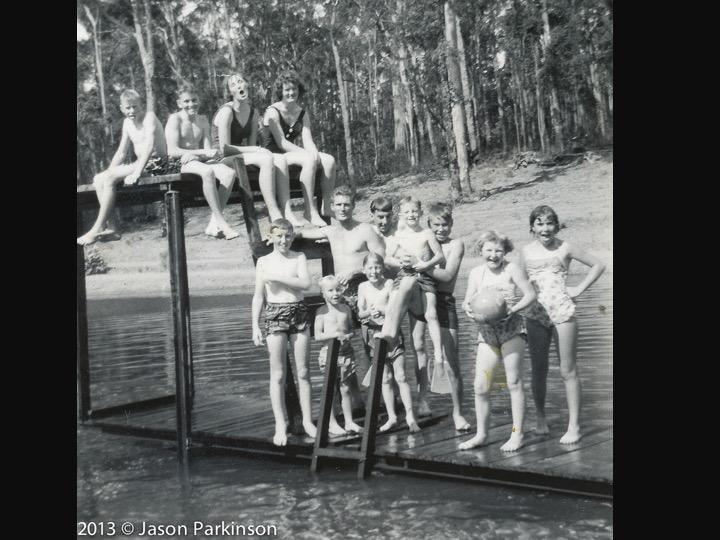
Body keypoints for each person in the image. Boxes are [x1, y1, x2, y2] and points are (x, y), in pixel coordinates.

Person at [520, 205, 605, 444]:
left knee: (568, 370)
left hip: (562, 312)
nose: (545, 228)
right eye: (539, 223)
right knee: (538, 369)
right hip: (535, 314)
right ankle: (540, 420)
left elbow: (598, 265)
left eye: (549, 223)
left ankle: (574, 426)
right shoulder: (525, 251)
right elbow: (518, 281)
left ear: (556, 226)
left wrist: (578, 288)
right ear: (532, 227)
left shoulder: (565, 247)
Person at [297, 185, 386, 410]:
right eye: (338, 205)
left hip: (364, 291)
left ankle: (382, 398)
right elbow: (299, 233)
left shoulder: (365, 229)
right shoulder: (330, 230)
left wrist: (356, 271)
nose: (343, 208)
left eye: (347, 204)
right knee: (341, 344)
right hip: (340, 297)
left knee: (371, 346)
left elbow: (380, 259)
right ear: (332, 208)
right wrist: (280, 234)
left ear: (354, 206)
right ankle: (353, 400)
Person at [459, 230, 536, 451]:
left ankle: (517, 434)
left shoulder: (511, 269)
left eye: (498, 250)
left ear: (505, 251)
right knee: (480, 386)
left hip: (512, 330)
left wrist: (514, 309)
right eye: (489, 250)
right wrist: (470, 312)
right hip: (486, 333)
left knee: (513, 382)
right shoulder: (475, 273)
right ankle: (481, 434)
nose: (493, 255)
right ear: (481, 250)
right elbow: (466, 302)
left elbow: (530, 294)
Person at [251, 219, 317, 446]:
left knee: (304, 372)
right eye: (279, 236)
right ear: (271, 237)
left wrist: (278, 278)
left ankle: (308, 421)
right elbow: (259, 296)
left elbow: (306, 284)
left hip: (298, 311)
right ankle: (281, 424)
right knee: (278, 374)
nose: (284, 240)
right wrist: (255, 326)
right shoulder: (263, 262)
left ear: (292, 236)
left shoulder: (299, 257)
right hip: (274, 313)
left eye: (288, 236)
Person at [77, 89, 173, 245]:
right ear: (122, 108)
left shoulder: (149, 117)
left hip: (158, 164)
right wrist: (108, 171)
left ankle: (98, 227)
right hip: (142, 164)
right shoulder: (127, 123)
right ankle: (113, 227)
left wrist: (136, 172)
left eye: (135, 106)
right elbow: (121, 152)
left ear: (141, 105)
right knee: (101, 178)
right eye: (128, 108)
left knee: (108, 179)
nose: (132, 111)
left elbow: (149, 147)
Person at [407, 203, 470, 431]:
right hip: (420, 296)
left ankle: (458, 413)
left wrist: (419, 266)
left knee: (451, 359)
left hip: (444, 301)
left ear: (451, 224)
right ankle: (423, 400)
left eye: (445, 225)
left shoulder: (456, 245)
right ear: (429, 226)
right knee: (419, 350)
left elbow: (447, 275)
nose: (441, 229)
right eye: (436, 225)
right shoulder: (423, 240)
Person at [375, 197, 445, 375]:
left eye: (414, 211)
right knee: (392, 303)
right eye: (407, 212)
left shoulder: (427, 233)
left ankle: (438, 357)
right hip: (404, 274)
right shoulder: (399, 235)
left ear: (420, 213)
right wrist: (400, 261)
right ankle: (387, 335)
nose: (411, 215)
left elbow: (439, 255)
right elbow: (388, 258)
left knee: (431, 314)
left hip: (423, 276)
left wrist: (424, 264)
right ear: (401, 214)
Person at [260, 69, 335, 227]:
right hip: (274, 155)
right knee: (309, 159)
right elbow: (282, 144)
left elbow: (308, 140)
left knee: (329, 160)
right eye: (287, 89)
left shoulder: (302, 113)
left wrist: (314, 152)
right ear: (281, 91)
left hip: (291, 155)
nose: (291, 92)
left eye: (294, 89)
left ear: (299, 90)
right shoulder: (272, 112)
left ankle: (326, 206)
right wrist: (309, 155)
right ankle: (310, 211)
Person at [211, 72, 285, 230]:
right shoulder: (227, 112)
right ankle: (273, 211)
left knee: (272, 157)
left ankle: (283, 210)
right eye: (233, 84)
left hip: (238, 157)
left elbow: (252, 145)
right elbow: (224, 149)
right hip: (220, 159)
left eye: (240, 81)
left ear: (246, 85)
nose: (238, 85)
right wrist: (256, 150)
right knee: (264, 157)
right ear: (230, 92)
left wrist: (257, 150)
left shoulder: (253, 113)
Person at [166, 84, 239, 240]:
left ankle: (213, 223)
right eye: (186, 101)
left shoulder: (203, 120)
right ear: (179, 103)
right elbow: (171, 151)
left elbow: (208, 152)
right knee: (208, 172)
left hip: (197, 161)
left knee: (229, 173)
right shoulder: (175, 119)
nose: (191, 104)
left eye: (194, 100)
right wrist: (199, 153)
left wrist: (200, 155)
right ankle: (222, 222)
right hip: (179, 163)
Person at [357, 253, 421, 433]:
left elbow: (394, 308)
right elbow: (359, 313)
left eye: (377, 267)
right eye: (370, 268)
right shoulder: (362, 287)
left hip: (392, 334)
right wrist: (369, 313)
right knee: (385, 378)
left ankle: (410, 417)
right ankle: (392, 416)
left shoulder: (389, 284)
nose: (374, 271)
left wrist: (381, 310)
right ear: (364, 270)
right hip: (372, 334)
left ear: (382, 268)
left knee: (400, 376)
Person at [314, 275, 364, 435]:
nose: (335, 293)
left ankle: (349, 422)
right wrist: (334, 335)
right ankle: (332, 423)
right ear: (323, 293)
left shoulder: (346, 310)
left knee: (346, 389)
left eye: (337, 290)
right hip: (328, 355)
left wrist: (347, 336)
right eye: (330, 291)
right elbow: (318, 336)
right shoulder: (321, 313)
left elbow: (351, 330)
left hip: (346, 354)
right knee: (331, 390)